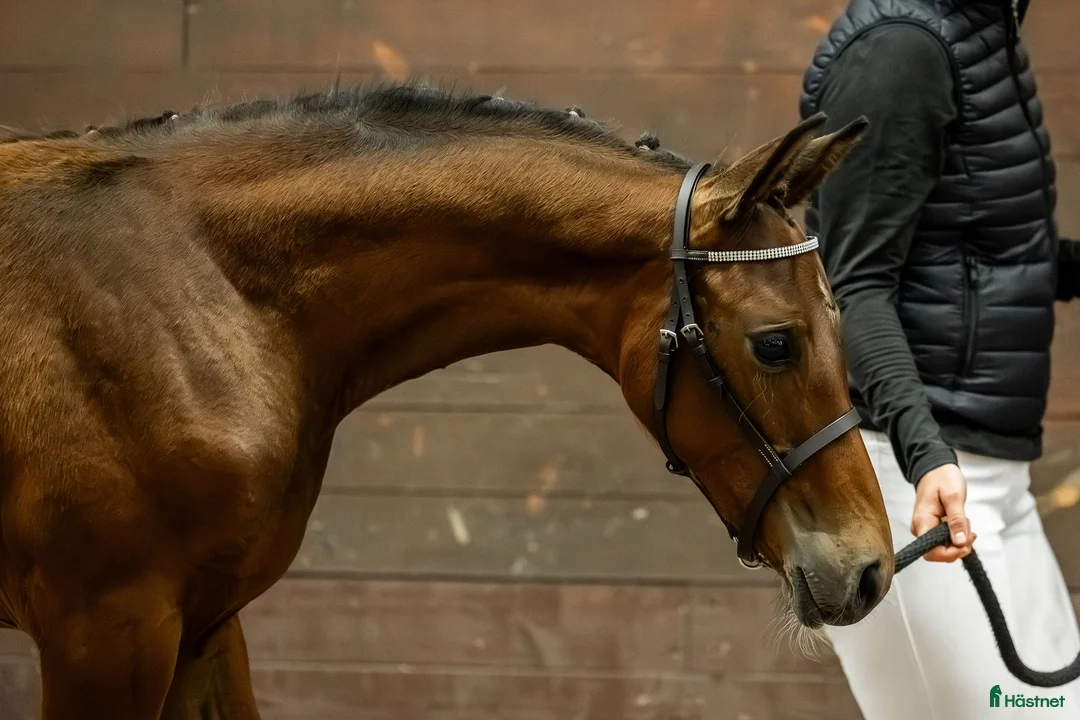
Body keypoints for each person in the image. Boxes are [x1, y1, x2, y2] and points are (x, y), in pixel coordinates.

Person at [798, 0, 1080, 717]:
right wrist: (926, 455)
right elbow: (849, 285)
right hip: (904, 482)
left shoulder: (981, 28)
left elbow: (990, 258)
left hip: (990, 480)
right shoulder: (901, 52)